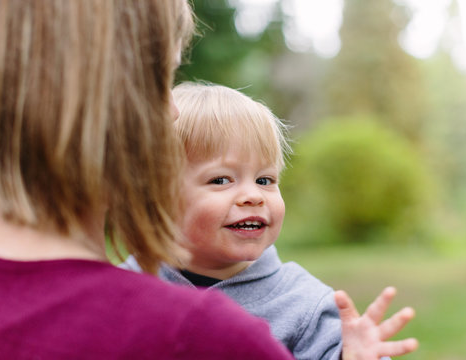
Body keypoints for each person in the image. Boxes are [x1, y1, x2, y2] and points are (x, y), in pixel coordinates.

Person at [0, 1, 296, 359]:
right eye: (159, 80)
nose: (173, 110)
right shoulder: (200, 339)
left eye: (265, 180)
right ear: (99, 95)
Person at [122, 82, 419, 359]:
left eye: (265, 179)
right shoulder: (126, 288)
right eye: (222, 179)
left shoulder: (303, 305)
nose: (253, 195)